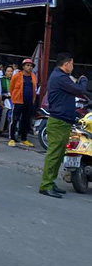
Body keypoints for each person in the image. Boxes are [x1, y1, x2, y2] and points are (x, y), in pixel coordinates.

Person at [39, 53, 88, 198]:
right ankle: (46, 185)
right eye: (72, 64)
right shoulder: (60, 77)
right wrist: (83, 79)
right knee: (54, 155)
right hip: (58, 122)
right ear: (67, 63)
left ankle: (51, 182)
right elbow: (79, 90)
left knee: (59, 155)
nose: (72, 67)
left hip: (63, 120)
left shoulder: (60, 77)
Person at [8, 58, 37, 147]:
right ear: (23, 67)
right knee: (15, 119)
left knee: (26, 121)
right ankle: (12, 138)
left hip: (28, 101)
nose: (30, 67)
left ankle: (24, 138)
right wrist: (14, 98)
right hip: (18, 101)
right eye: (28, 65)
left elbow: (34, 89)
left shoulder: (33, 76)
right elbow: (11, 87)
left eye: (31, 66)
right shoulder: (17, 75)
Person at [0, 65, 13, 132]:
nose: (10, 73)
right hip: (4, 99)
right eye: (8, 71)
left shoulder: (14, 80)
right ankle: (1, 127)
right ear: (5, 72)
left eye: (11, 71)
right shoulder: (1, 80)